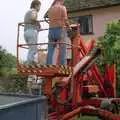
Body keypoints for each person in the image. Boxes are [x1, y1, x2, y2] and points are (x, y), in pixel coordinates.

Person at [47, 0, 71, 65]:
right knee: (63, 49)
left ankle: (48, 65)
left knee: (50, 50)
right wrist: (69, 27)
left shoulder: (50, 9)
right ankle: (62, 65)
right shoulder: (62, 7)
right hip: (60, 29)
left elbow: (49, 19)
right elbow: (65, 19)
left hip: (51, 30)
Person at [24, 0, 41, 65]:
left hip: (26, 32)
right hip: (32, 32)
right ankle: (30, 68)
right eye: (39, 6)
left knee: (32, 49)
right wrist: (38, 24)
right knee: (32, 51)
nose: (39, 8)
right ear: (36, 6)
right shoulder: (34, 11)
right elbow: (33, 18)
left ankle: (32, 65)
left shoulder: (28, 11)